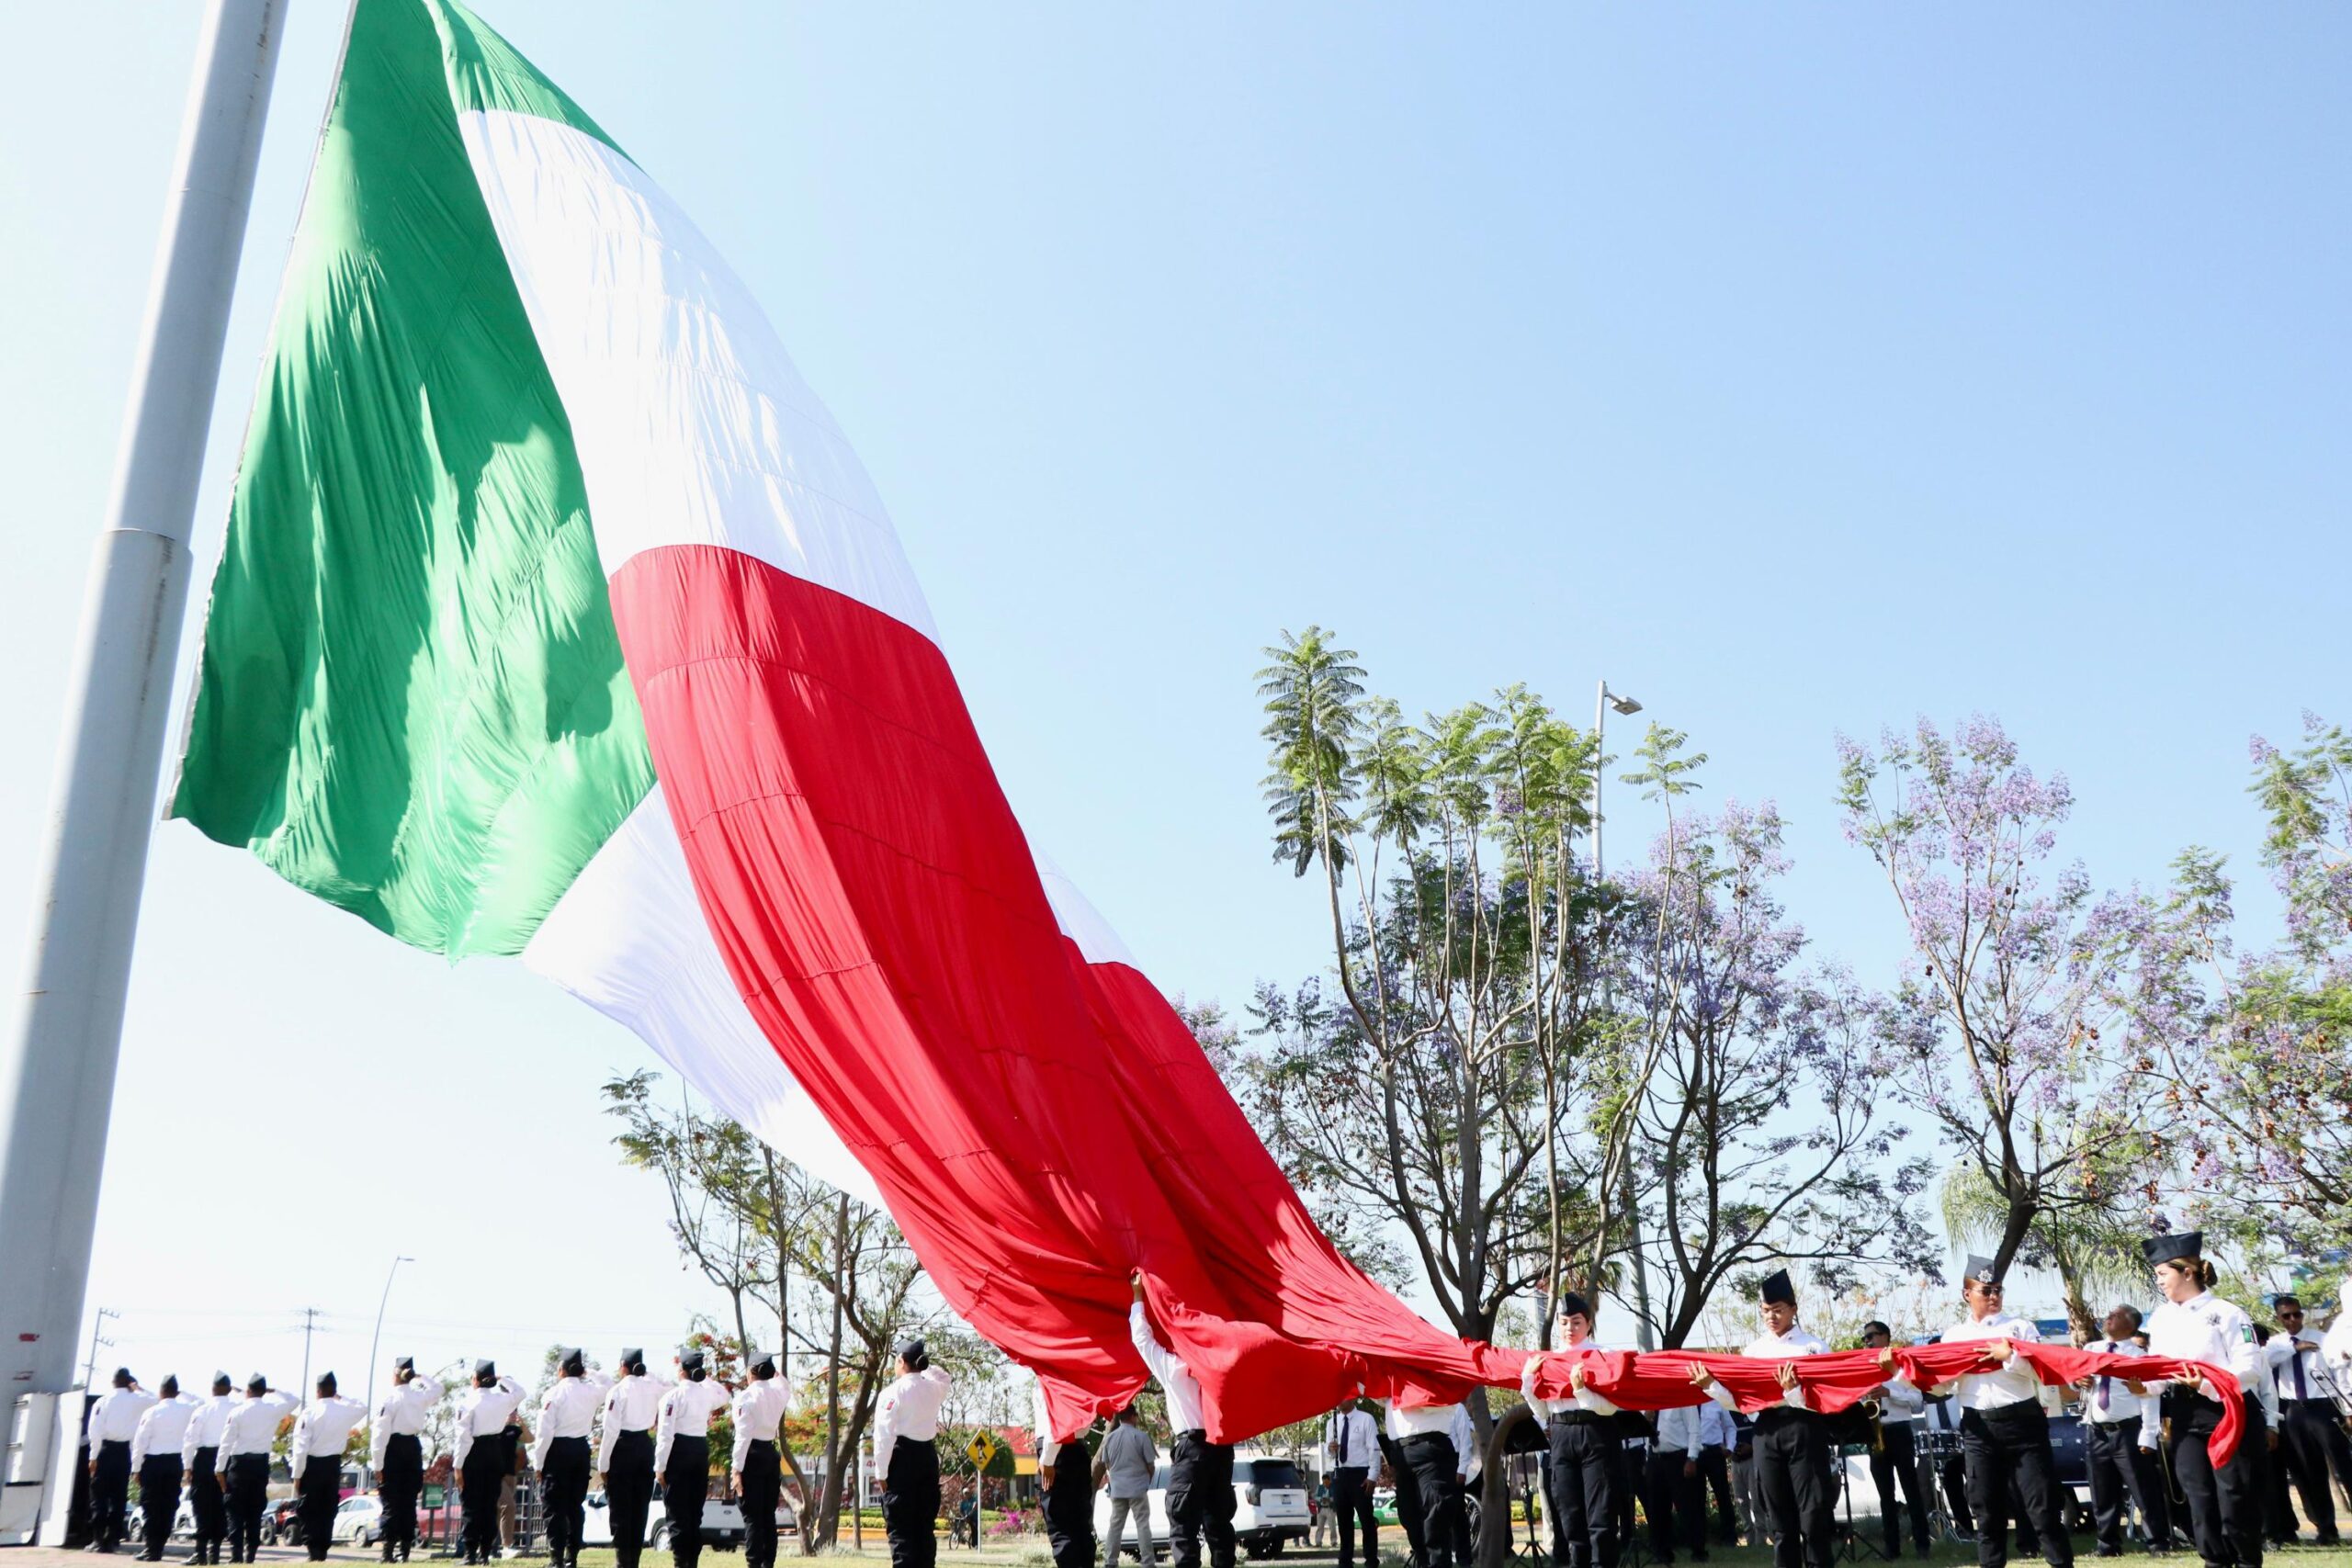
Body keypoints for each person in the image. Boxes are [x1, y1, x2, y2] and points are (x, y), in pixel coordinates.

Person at [1929, 1257, 2071, 1568]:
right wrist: (1918, 1378)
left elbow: (2043, 1372)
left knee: (2043, 1507)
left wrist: (2011, 1356)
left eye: (1998, 1290)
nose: (1994, 1297)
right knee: (1986, 1511)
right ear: (1967, 1294)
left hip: (2023, 1423)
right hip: (1979, 1427)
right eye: (1986, 1291)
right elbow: (1944, 1387)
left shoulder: (2019, 1327)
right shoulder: (1954, 1336)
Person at [1689, 1269, 1835, 1568]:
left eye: (1778, 1310)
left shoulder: (1814, 1347)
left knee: (1813, 1513)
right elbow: (1742, 1402)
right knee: (1778, 1515)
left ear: (1793, 1309)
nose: (1771, 1316)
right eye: (1766, 1311)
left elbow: (1825, 1400)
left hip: (1804, 1427)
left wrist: (1793, 1393)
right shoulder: (1754, 1351)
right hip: (1766, 1430)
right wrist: (1712, 1388)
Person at [2136, 1231, 2265, 1568]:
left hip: (2228, 1411)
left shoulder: (2227, 1312)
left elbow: (2250, 1368)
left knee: (2234, 1497)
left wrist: (2206, 1383)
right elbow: (2159, 1369)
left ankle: (2248, 1561)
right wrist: (2144, 1387)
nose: (2159, 1281)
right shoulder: (2161, 1317)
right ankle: (2214, 1562)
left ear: (2187, 1272)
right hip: (2185, 1414)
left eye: (2163, 1274)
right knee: (2199, 1498)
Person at [1132, 1276, 1235, 1568]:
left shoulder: (1173, 1368)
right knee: (1219, 1526)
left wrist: (1138, 1295)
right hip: (1222, 1447)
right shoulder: (1223, 1363)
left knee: (1183, 1526)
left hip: (1192, 1450)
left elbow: (1141, 1338)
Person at [1521, 1289, 1626, 1568]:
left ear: (1589, 1323)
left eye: (1577, 1322)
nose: (1570, 1328)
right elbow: (1543, 1410)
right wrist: (1528, 1384)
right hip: (1561, 1437)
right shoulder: (1548, 1359)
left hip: (1596, 1433)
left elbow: (1610, 1407)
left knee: (1601, 1518)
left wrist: (1581, 1391)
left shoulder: (1603, 1355)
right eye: (1564, 1322)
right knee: (1570, 1517)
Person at [2075, 1305, 2173, 1556]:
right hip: (2095, 1429)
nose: (2109, 1318)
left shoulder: (2138, 1356)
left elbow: (2149, 1397)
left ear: (2131, 1325)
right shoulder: (2092, 1350)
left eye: (2116, 1316)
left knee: (2143, 1489)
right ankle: (2107, 1545)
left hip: (2127, 1430)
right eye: (2109, 1314)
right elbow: (2074, 1378)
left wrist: (2148, 1434)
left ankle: (2157, 1542)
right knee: (2102, 1490)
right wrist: (2078, 1380)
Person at [2267, 1295, 2346, 1546]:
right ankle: (2326, 1528)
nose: (2292, 1320)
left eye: (2296, 1314)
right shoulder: (2275, 1344)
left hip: (2325, 1404)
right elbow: (2266, 1362)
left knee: (2345, 1465)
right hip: (2295, 1409)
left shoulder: (2323, 1339)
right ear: (2278, 1318)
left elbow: (2338, 1372)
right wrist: (2294, 1348)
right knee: (2309, 1472)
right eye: (2286, 1316)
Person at [531, 1348, 614, 1568]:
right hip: (580, 1449)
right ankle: (572, 1556)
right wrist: (591, 1372)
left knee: (554, 1507)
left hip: (557, 1450)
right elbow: (609, 1383)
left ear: (561, 1370)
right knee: (575, 1506)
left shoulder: (553, 1394)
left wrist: (538, 1463)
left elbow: (543, 1433)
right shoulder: (591, 1391)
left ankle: (556, 1557)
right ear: (580, 1370)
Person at [1858, 1324, 1931, 1558]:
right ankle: (1891, 1548)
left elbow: (1917, 1401)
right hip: (1875, 1431)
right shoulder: (1863, 1368)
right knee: (1885, 1496)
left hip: (1900, 1431)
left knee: (1911, 1490)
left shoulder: (1902, 1366)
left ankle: (1922, 1545)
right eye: (1865, 1337)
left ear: (1886, 1337)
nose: (1867, 1341)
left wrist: (1891, 1393)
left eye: (1872, 1336)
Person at [656, 1348, 732, 1568]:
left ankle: (681, 1563)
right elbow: (724, 1395)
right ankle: (692, 1563)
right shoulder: (705, 1394)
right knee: (694, 1513)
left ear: (681, 1371)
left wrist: (660, 1466)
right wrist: (705, 1378)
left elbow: (665, 1435)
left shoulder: (672, 1397)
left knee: (678, 1513)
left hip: (678, 1451)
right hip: (699, 1450)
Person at [598, 1348, 672, 1568]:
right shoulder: (653, 1388)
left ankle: (622, 1561)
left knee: (621, 1508)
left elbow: (610, 1431)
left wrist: (603, 1464)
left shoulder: (617, 1391)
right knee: (640, 1507)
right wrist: (647, 1375)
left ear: (622, 1366)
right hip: (644, 1447)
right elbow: (669, 1386)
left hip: (622, 1448)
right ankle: (634, 1561)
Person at [217, 1375, 298, 1565]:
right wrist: (275, 1391)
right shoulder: (272, 1410)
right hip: (260, 1466)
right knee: (255, 1510)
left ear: (247, 1390)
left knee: (234, 1510)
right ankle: (250, 1555)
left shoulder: (237, 1412)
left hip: (239, 1465)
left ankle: (235, 1555)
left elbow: (226, 1443)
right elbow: (295, 1401)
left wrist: (219, 1469)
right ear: (263, 1390)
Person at [453, 1360, 527, 1566]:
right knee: (489, 1504)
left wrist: (458, 1466)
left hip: (474, 1452)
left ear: (475, 1380)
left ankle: (470, 1554)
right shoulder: (501, 1400)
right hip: (495, 1453)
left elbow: (463, 1437)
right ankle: (486, 1553)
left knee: (471, 1505)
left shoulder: (467, 1402)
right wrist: (502, 1379)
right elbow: (521, 1392)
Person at [372, 1356, 444, 1564]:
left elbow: (379, 1435)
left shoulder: (391, 1399)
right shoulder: (418, 1397)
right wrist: (420, 1376)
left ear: (395, 1374)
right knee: (408, 1502)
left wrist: (378, 1465)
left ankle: (387, 1552)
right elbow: (438, 1389)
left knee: (390, 1502)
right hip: (413, 1449)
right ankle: (404, 1552)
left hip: (393, 1450)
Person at [293, 1372, 367, 1563]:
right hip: (333, 1466)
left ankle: (313, 1551)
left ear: (317, 1391)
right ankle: (322, 1551)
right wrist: (340, 1397)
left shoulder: (309, 1412)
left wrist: (297, 1475)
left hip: (312, 1465)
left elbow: (300, 1448)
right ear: (334, 1390)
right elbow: (362, 1407)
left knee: (310, 1509)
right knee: (327, 1509)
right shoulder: (343, 1410)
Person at [1389, 1396, 1469, 1568]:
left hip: (1431, 1449)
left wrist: (1462, 1467)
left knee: (1437, 1518)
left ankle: (1452, 1561)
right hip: (1402, 1452)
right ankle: (1423, 1562)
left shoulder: (1453, 1404)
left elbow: (1465, 1439)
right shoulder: (1392, 1382)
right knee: (1409, 1517)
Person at [734, 1348, 794, 1568]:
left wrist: (736, 1469)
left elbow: (742, 1437)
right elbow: (784, 1385)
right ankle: (768, 1563)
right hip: (770, 1454)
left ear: (752, 1371)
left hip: (751, 1455)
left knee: (752, 1518)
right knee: (768, 1516)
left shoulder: (746, 1397)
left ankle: (753, 1563)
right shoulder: (778, 1394)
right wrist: (775, 1373)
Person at [87, 1367, 158, 1553]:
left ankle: (97, 1540)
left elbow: (94, 1431)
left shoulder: (103, 1401)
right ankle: (112, 1540)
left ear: (113, 1381)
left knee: (99, 1498)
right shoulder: (137, 1399)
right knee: (118, 1498)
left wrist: (93, 1457)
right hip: (123, 1453)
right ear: (128, 1382)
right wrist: (137, 1388)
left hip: (104, 1450)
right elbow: (156, 1400)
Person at [130, 1377, 198, 1562]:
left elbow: (140, 1442)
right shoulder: (187, 1409)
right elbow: (198, 1401)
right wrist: (182, 1394)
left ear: (161, 1392)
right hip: (175, 1462)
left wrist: (136, 1468)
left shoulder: (151, 1412)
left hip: (153, 1463)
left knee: (150, 1506)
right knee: (168, 1506)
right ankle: (159, 1547)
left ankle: (152, 1548)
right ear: (176, 1392)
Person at [1035, 1377, 1096, 1568]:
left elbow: (1059, 1423)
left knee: (1062, 1529)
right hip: (1077, 1450)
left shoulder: (1051, 1375)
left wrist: (1047, 1459)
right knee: (1080, 1528)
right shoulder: (1076, 1374)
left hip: (1056, 1451)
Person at [180, 1374, 236, 1566]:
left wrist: (187, 1467)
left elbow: (190, 1440)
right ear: (229, 1389)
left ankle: (200, 1553)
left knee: (201, 1507)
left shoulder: (202, 1410)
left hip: (204, 1460)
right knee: (222, 1507)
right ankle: (215, 1554)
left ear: (212, 1389)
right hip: (228, 1459)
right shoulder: (237, 1408)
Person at [1097, 1404, 1159, 1568]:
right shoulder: (1141, 1437)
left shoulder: (1110, 1438)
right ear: (1133, 1416)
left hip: (1117, 1489)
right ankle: (1148, 1562)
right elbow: (1150, 1465)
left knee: (1115, 1526)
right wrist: (1147, 1481)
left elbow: (1107, 1464)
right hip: (1138, 1488)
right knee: (1142, 1525)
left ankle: (1110, 1562)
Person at [1326, 1399, 1381, 1568]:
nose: (1340, 1401)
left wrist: (1373, 1475)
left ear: (1352, 1398)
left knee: (1366, 1520)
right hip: (1340, 1474)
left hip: (1360, 1474)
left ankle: (1371, 1560)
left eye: (1343, 1397)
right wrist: (1330, 1449)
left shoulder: (1366, 1419)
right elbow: (1329, 1455)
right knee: (1343, 1521)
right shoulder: (1332, 1422)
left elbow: (1374, 1448)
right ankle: (1345, 1560)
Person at [1652, 1403, 1705, 1563]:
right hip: (1656, 1457)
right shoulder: (1650, 1401)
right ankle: (1662, 1551)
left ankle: (1698, 1550)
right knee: (1657, 1508)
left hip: (1679, 1457)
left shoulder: (1682, 1398)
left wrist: (1692, 1458)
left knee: (1687, 1506)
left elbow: (1694, 1429)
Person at [1691, 1401, 1738, 1549]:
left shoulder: (1716, 1402)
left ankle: (1729, 1537)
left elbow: (1730, 1427)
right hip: (1694, 1454)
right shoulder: (1688, 1403)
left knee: (1723, 1495)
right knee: (1697, 1498)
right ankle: (1700, 1539)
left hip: (1714, 1453)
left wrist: (1730, 1447)